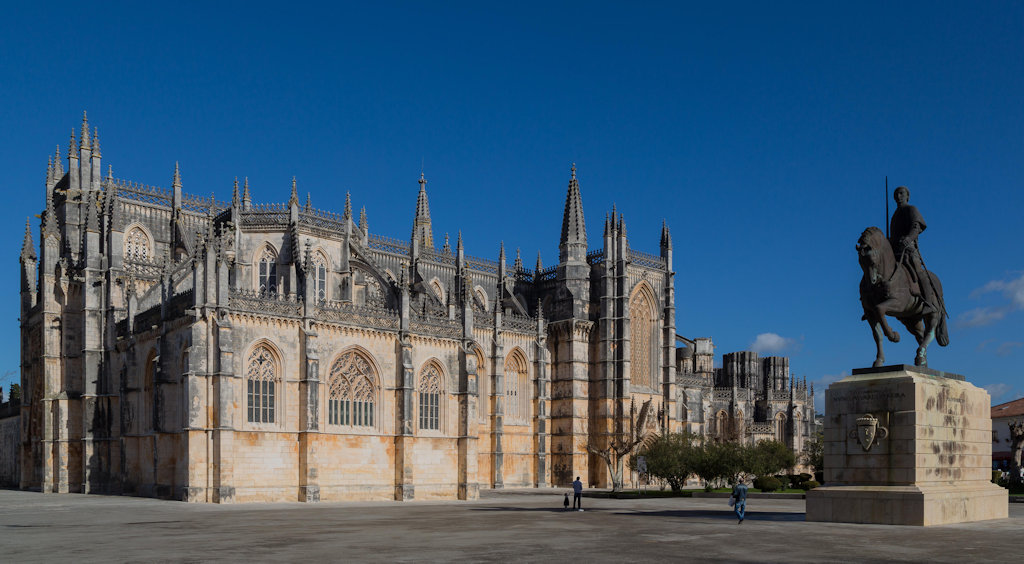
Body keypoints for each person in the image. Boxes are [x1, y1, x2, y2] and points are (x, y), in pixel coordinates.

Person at [889, 186, 938, 311]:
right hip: (895, 251)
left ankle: (928, 302)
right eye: (896, 194)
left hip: (908, 249)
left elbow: (916, 227)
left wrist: (908, 238)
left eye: (901, 193)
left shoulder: (911, 209)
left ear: (907, 196)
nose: (898, 196)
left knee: (918, 271)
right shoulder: (894, 216)